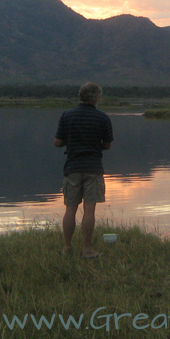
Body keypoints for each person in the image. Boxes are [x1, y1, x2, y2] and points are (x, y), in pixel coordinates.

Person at [54, 82, 113, 259]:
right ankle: (87, 249)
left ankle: (66, 248)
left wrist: (71, 141)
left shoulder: (67, 115)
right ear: (95, 97)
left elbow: (57, 142)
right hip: (93, 168)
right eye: (99, 96)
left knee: (70, 209)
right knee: (89, 210)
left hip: (72, 167)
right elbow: (107, 145)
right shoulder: (103, 118)